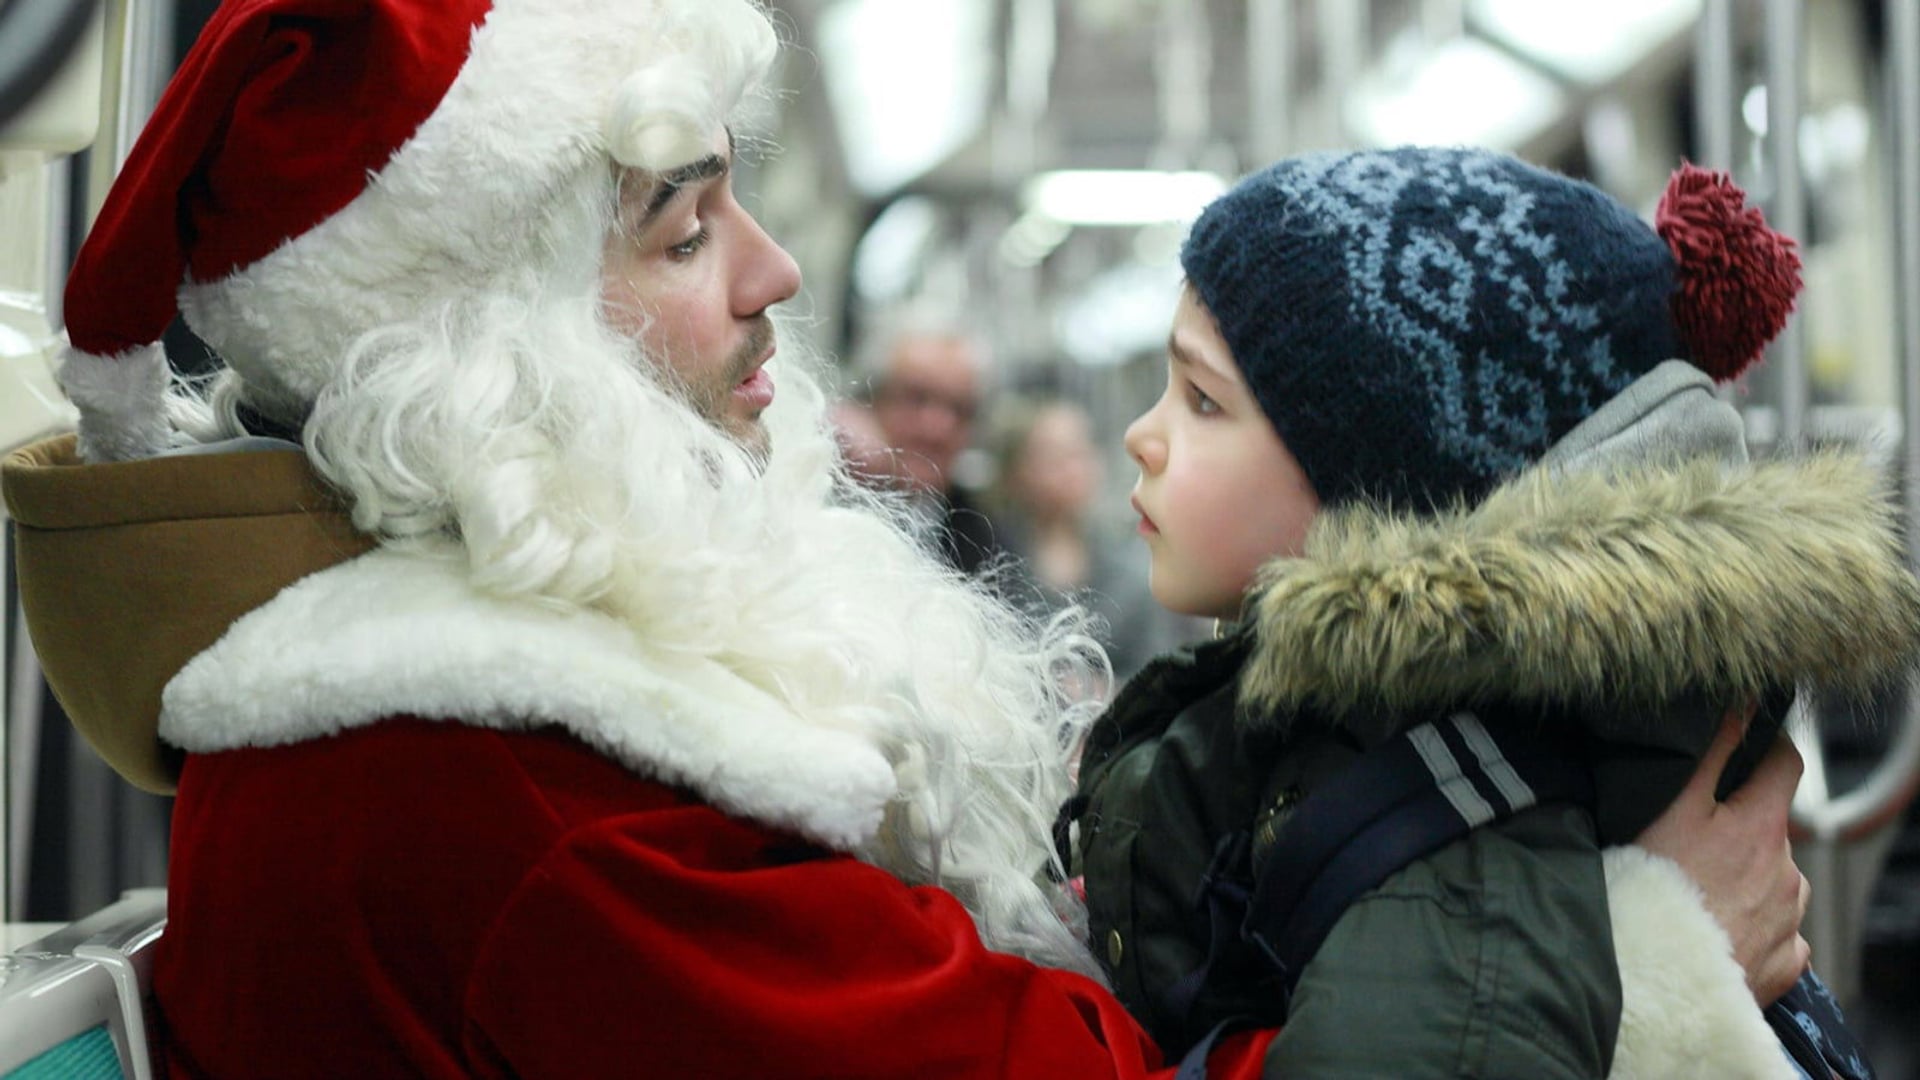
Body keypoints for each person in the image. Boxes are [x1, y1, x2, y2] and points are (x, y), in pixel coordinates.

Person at [0, 4, 1815, 1075]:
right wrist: (1649, 968)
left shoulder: (450, 735)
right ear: (490, 347)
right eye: (687, 232)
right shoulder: (516, 806)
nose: (777, 278)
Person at [1065, 147, 1918, 1078]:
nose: (1142, 435)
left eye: (1202, 401)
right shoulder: (1394, 753)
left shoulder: (1456, 841)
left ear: (1390, 496)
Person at [987, 395, 1195, 691]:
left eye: (1081, 450)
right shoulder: (990, 566)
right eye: (1053, 455)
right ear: (1016, 470)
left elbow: (1160, 681)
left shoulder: (1134, 574)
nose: (1073, 467)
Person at [844, 320, 1004, 575]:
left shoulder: (986, 544)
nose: (936, 429)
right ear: (868, 401)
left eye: (959, 409)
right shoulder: (813, 496)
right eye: (916, 398)